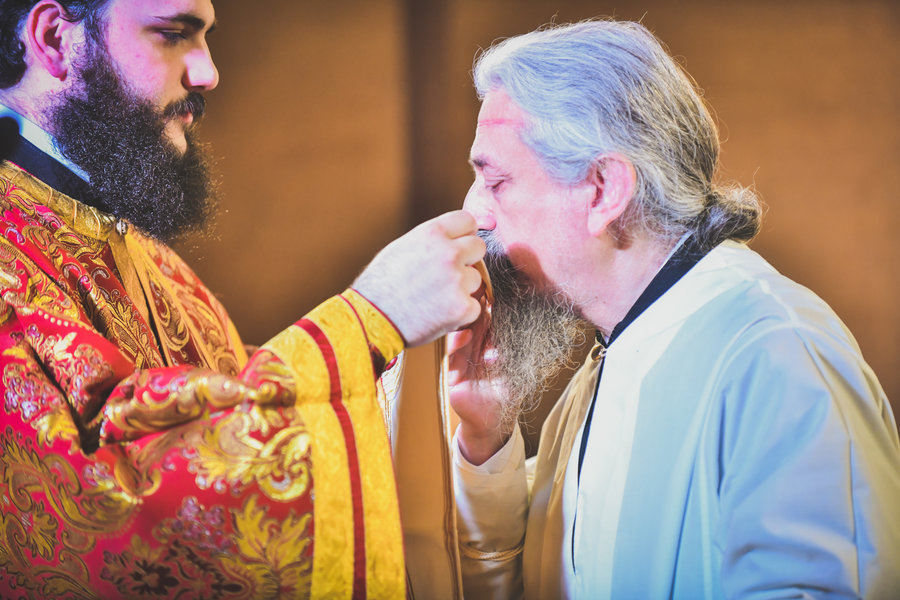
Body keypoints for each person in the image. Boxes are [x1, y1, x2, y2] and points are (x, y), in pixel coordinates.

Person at [0, 0, 486, 597]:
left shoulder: (151, 259)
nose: (208, 73)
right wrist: (369, 320)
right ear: (55, 38)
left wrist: (445, 402)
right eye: (172, 34)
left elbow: (231, 408)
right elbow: (99, 513)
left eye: (204, 37)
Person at [448, 19, 900, 599]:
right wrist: (486, 436)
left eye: (496, 182)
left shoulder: (778, 354)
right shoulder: (609, 361)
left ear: (603, 189)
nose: (474, 214)